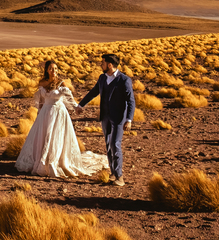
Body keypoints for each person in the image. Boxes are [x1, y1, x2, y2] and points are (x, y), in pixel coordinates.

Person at [15, 60, 107, 178]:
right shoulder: (42, 83)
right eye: (51, 69)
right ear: (47, 70)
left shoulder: (61, 83)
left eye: (56, 69)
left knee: (55, 137)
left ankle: (55, 162)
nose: (54, 71)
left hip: (59, 113)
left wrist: (76, 108)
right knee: (44, 137)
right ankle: (42, 162)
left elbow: (69, 98)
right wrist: (39, 114)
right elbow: (41, 101)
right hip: (45, 113)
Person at [78, 53, 136, 187]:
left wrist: (129, 119)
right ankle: (113, 173)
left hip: (118, 118)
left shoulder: (124, 80)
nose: (100, 64)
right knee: (109, 146)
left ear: (110, 65)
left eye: (102, 62)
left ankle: (119, 176)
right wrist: (81, 104)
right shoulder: (103, 78)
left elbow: (130, 100)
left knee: (115, 144)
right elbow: (94, 92)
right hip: (105, 117)